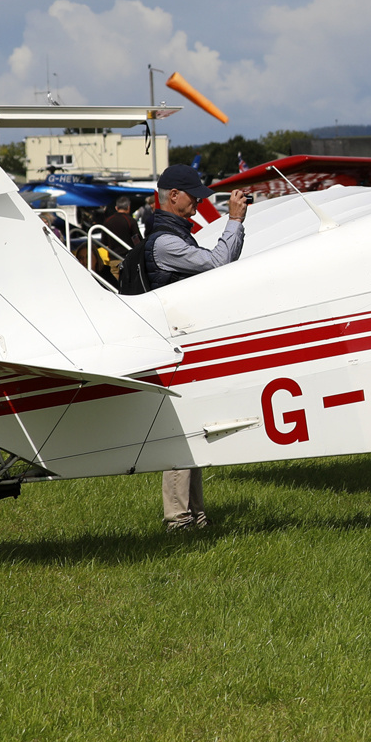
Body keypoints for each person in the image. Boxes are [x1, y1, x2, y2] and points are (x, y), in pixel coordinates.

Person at [143, 163, 249, 531]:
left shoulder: (175, 236)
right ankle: (178, 518)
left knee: (192, 431)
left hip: (182, 346)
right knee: (180, 432)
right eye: (194, 197)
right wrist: (233, 221)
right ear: (174, 196)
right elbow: (219, 263)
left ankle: (196, 515)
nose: (198, 204)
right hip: (172, 348)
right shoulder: (165, 242)